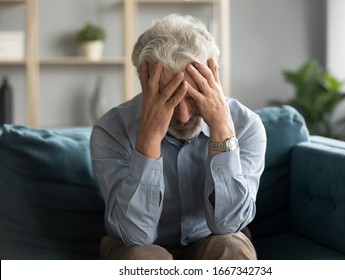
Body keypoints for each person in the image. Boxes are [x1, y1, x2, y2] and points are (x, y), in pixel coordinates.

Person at [90, 13, 267, 260]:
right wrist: (149, 139)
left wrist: (222, 131)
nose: (184, 117)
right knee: (144, 257)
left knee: (232, 246)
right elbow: (135, 235)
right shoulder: (111, 130)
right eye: (168, 98)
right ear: (145, 83)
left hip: (210, 239)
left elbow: (230, 223)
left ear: (213, 77)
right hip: (134, 245)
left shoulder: (247, 125)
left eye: (193, 97)